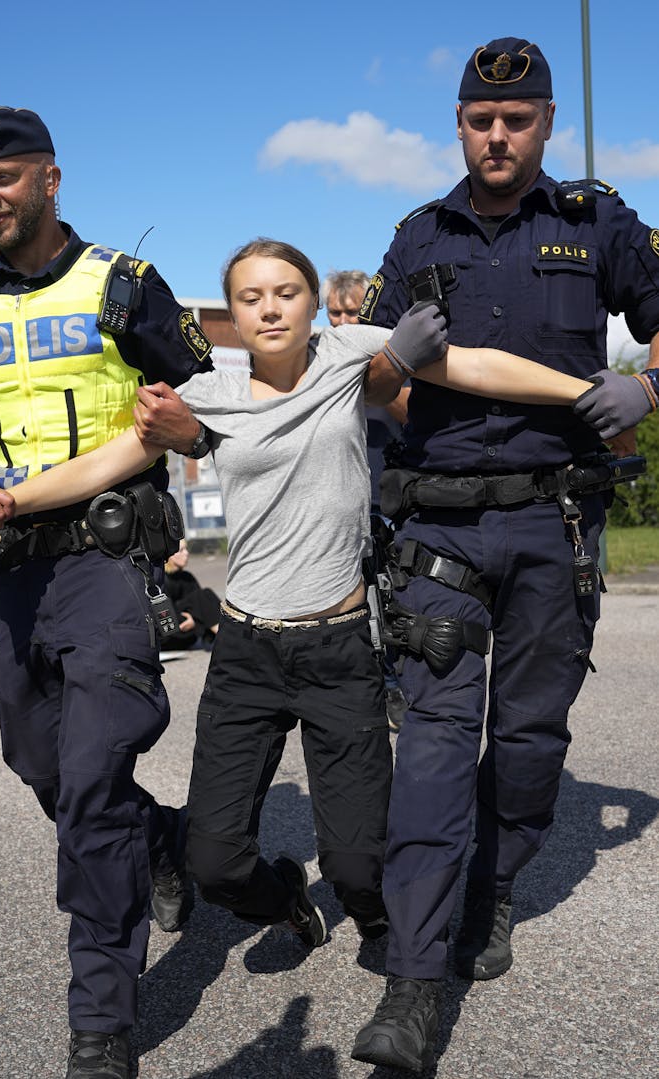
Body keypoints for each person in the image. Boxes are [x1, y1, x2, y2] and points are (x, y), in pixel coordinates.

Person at [0, 239, 618, 974]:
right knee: (214, 862)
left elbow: (474, 366)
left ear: (310, 299)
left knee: (361, 866)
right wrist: (1, 500)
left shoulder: (350, 353)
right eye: (250, 297)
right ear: (232, 314)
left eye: (287, 291)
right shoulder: (204, 394)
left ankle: (373, 917)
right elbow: (103, 462)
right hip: (245, 654)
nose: (270, 308)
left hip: (339, 651)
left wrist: (585, 390)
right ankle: (288, 896)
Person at [352, 37, 659, 1073]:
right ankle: (411, 982)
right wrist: (393, 364)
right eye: (479, 120)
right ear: (456, 123)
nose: (496, 135)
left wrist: (650, 388)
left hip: (554, 523)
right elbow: (365, 387)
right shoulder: (412, 236)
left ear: (545, 122)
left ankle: (493, 887)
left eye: (515, 119)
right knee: (434, 747)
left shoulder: (596, 224)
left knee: (527, 741)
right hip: (437, 524)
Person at [0, 105, 214, 1079]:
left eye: (4, 178)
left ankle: (102, 1024)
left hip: (106, 564)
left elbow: (201, 400)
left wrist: (183, 430)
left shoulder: (124, 284)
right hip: (10, 578)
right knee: (37, 758)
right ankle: (156, 837)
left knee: (86, 780)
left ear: (50, 177)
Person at [322, 269, 410, 732]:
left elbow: (414, 413)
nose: (342, 322)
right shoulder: (320, 362)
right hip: (339, 501)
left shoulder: (395, 357)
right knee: (350, 604)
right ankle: (365, 686)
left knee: (391, 598)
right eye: (334, 313)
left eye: (352, 312)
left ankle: (396, 682)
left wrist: (373, 377)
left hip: (390, 499)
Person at [160, 539, 221, 651]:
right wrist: (197, 621)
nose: (187, 553)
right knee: (201, 596)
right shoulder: (160, 580)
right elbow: (166, 622)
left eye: (186, 549)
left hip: (189, 635)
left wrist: (195, 621)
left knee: (205, 594)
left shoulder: (187, 577)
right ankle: (225, 638)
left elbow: (204, 609)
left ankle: (226, 634)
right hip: (169, 637)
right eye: (181, 550)